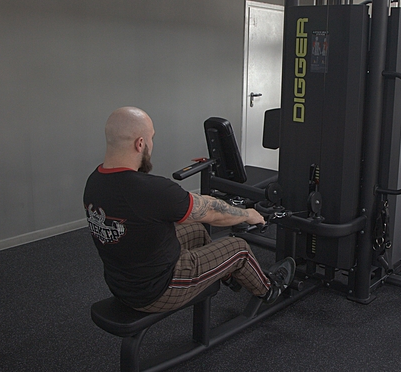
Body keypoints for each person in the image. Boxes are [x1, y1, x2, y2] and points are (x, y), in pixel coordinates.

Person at [83, 106, 295, 312]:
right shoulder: (151, 189)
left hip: (122, 283)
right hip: (157, 291)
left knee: (195, 230)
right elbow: (212, 212)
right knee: (238, 248)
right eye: (151, 138)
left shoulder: (94, 181)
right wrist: (248, 214)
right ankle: (270, 289)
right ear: (140, 143)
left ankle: (229, 274)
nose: (151, 144)